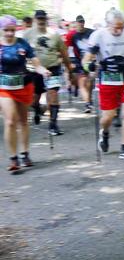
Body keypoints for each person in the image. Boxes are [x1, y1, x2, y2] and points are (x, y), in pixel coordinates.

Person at [82, 8, 124, 161]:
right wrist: (89, 66)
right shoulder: (98, 36)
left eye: (121, 26)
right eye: (115, 27)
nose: (119, 30)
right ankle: (104, 132)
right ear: (107, 24)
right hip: (107, 79)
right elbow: (85, 60)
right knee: (108, 116)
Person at [0, 15, 49, 171]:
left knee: (23, 121)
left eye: (12, 30)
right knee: (10, 121)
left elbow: (36, 64)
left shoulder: (23, 44)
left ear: (16, 29)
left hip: (23, 86)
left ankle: (25, 154)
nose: (9, 33)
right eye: (6, 30)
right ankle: (13, 158)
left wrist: (43, 71)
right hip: (4, 88)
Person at [22, 10, 72, 135]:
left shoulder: (54, 34)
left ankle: (53, 125)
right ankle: (38, 109)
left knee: (53, 95)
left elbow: (64, 53)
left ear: (46, 19)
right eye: (39, 18)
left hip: (52, 68)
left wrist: (70, 70)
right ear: (35, 19)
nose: (41, 20)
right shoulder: (27, 34)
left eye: (43, 18)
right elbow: (21, 52)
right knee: (34, 99)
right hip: (33, 71)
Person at [65, 15, 94, 113]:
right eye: (79, 22)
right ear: (76, 23)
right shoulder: (71, 35)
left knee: (89, 82)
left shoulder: (91, 32)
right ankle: (87, 104)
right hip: (79, 60)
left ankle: (89, 100)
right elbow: (67, 49)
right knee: (82, 82)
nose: (81, 24)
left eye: (82, 22)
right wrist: (68, 61)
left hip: (91, 59)